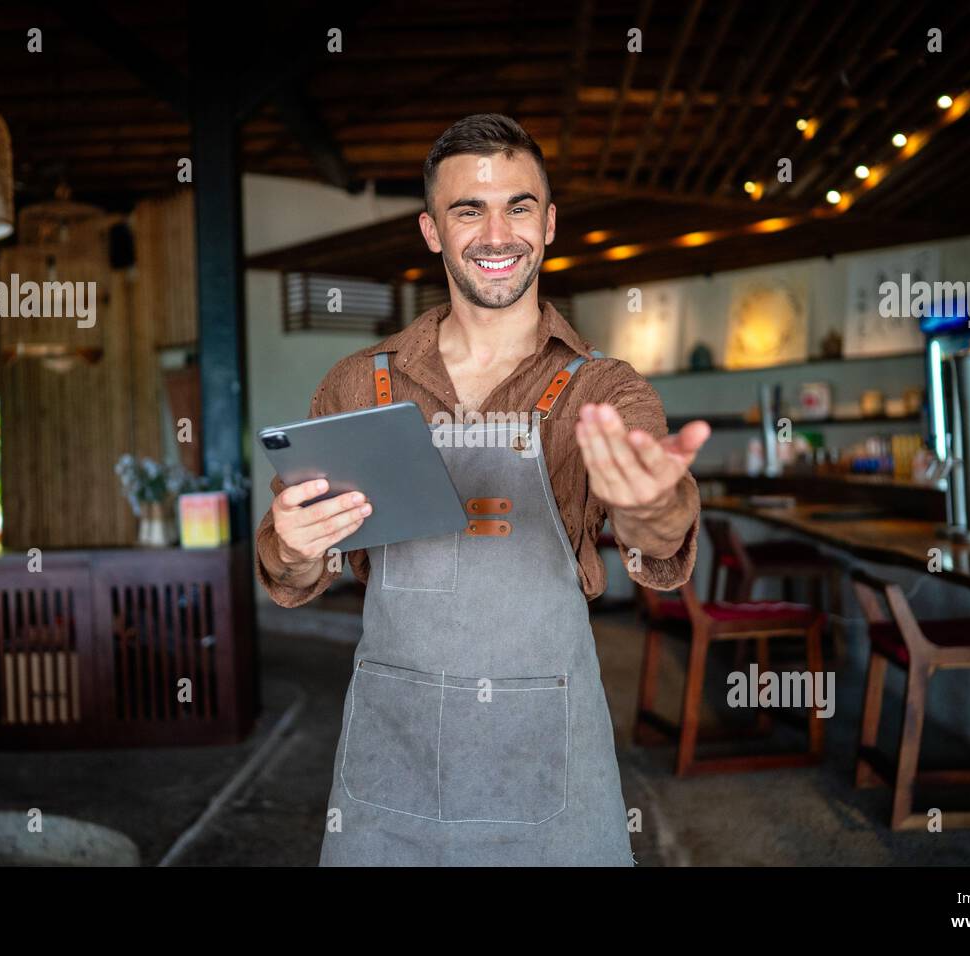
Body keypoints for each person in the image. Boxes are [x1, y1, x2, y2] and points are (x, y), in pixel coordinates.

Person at [256, 114, 711, 866]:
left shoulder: (606, 390)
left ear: (550, 222)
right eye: (469, 209)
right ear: (432, 229)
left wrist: (651, 504)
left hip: (548, 758)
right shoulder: (355, 385)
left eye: (519, 206)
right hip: (390, 755)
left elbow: (662, 543)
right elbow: (293, 571)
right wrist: (296, 547)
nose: (497, 234)